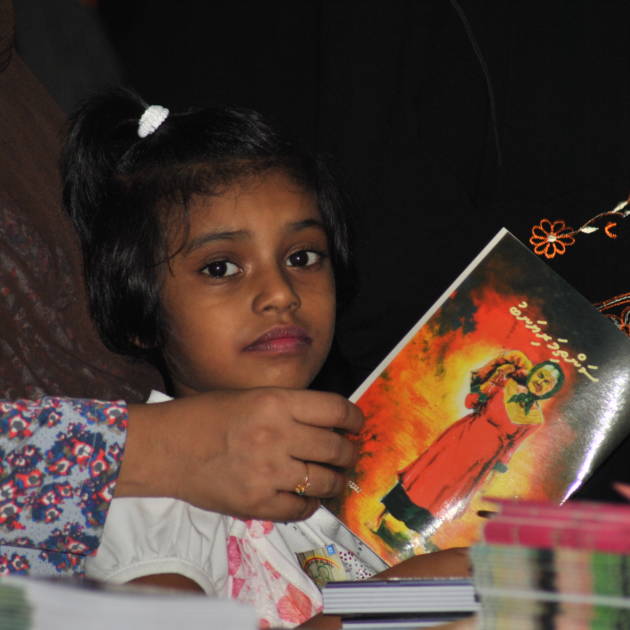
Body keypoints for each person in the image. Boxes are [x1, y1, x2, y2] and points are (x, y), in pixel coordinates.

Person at [60, 88, 469, 628]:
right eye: (221, 268)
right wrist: (407, 599)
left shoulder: (348, 468)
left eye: (303, 257)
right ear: (138, 312)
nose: (281, 293)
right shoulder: (144, 495)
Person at [374, 350, 564, 540]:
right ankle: (379, 516)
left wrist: (492, 475)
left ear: (550, 391)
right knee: (426, 476)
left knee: (447, 494)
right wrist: (488, 385)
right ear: (533, 372)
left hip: (481, 461)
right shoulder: (506, 383)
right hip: (462, 438)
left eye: (547, 382)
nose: (540, 382)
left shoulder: (535, 420)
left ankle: (415, 536)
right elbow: (470, 402)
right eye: (541, 375)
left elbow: (510, 449)